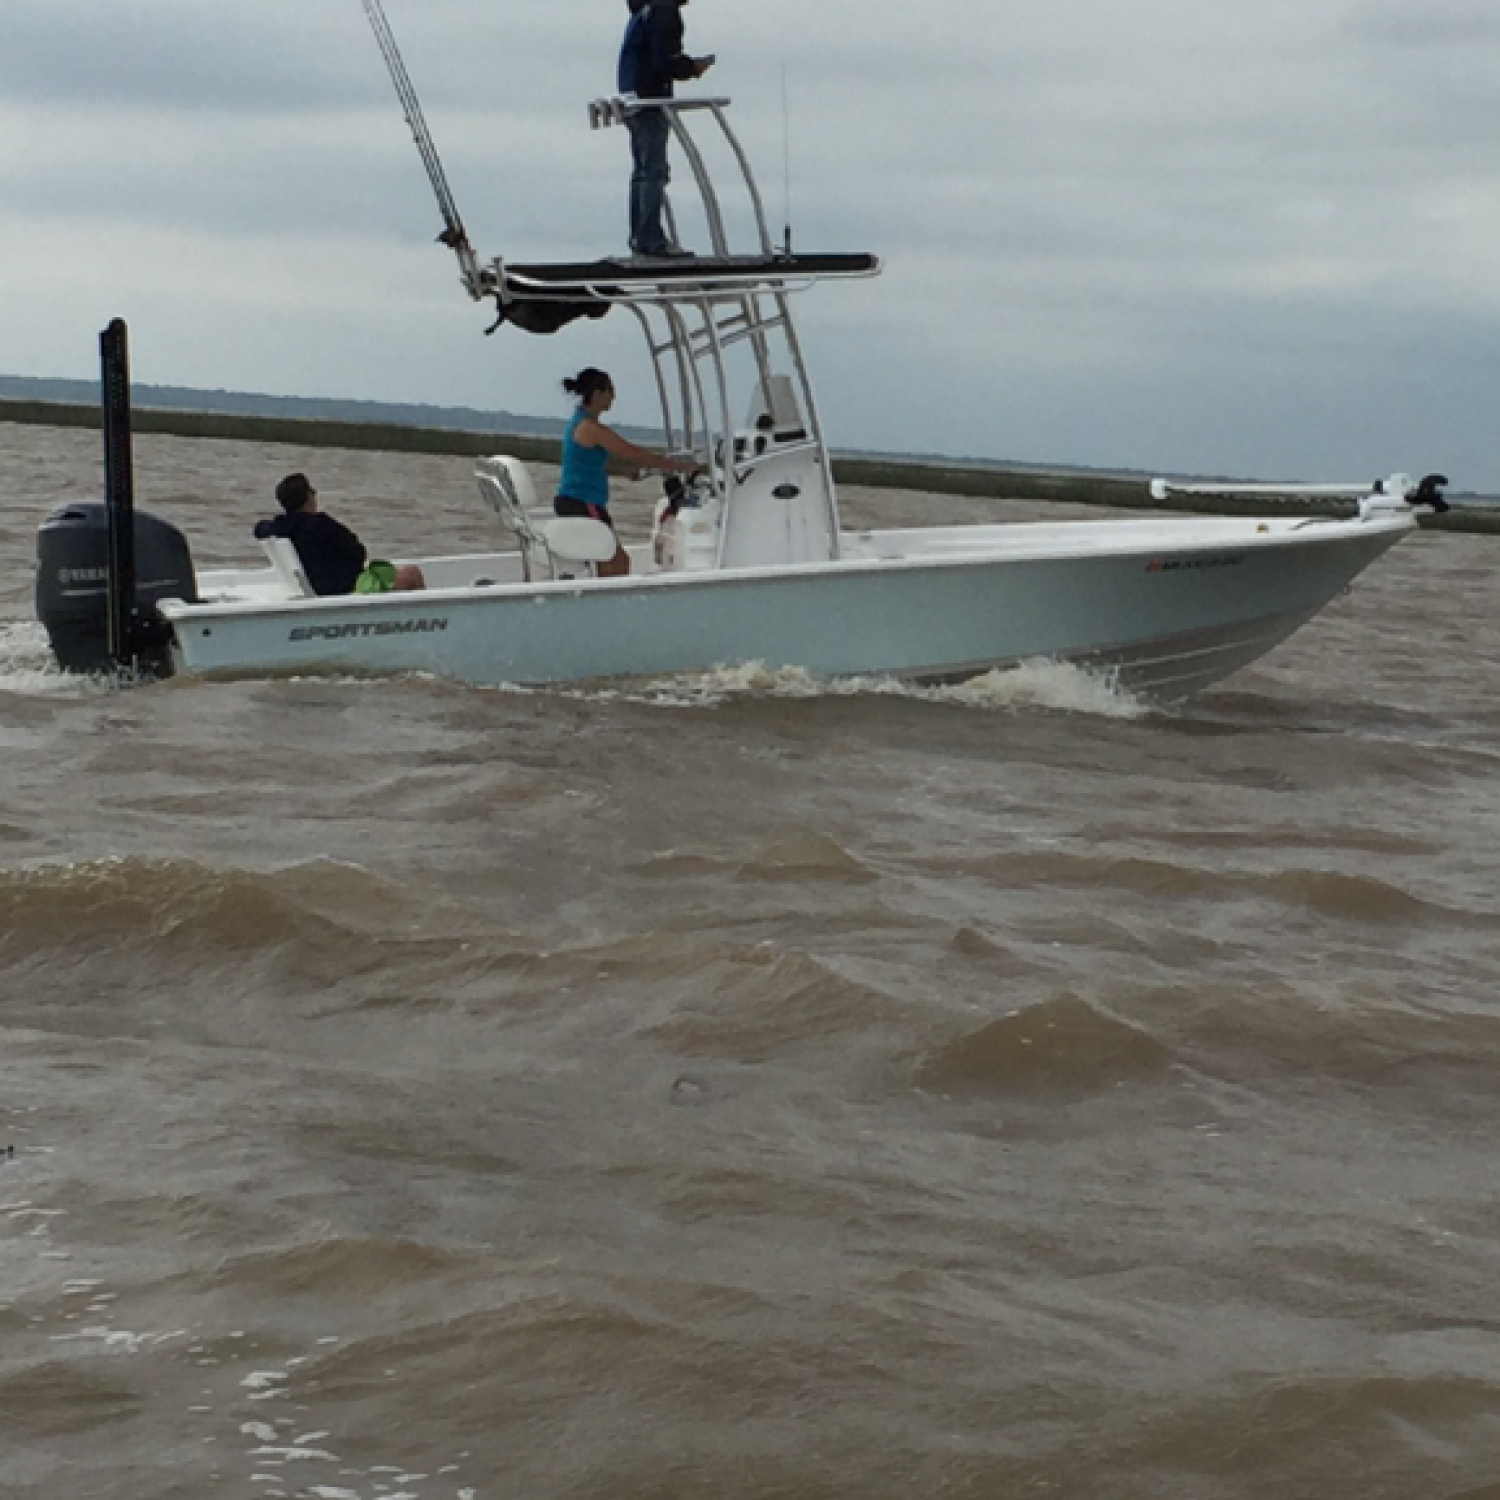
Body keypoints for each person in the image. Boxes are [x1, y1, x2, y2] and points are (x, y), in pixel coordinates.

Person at [556, 367, 700, 577]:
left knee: (614, 560)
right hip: (582, 502)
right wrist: (679, 466)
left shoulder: (580, 423)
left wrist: (628, 472)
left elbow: (589, 462)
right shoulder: (590, 428)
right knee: (615, 561)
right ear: (597, 394)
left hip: (579, 501)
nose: (614, 396)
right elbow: (632, 452)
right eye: (610, 391)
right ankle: (607, 606)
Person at [617, 0, 714, 258]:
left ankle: (640, 236)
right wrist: (690, 68)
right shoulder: (663, 10)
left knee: (642, 171)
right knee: (654, 171)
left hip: (632, 98)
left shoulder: (643, 11)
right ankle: (651, 239)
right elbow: (664, 59)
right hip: (650, 99)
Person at [253, 474, 425, 595]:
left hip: (318, 587)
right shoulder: (320, 524)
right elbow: (358, 552)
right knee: (411, 574)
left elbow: (259, 529)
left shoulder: (279, 527)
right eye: (311, 491)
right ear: (307, 496)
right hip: (343, 588)